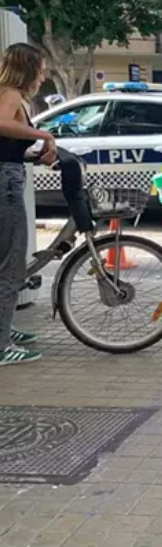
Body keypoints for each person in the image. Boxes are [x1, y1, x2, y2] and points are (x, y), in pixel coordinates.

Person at [0, 43, 57, 366]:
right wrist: (44, 136)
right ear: (27, 68)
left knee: (5, 262)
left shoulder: (8, 95)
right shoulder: (9, 94)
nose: (43, 76)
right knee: (11, 265)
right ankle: (1, 346)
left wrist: (35, 154)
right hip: (5, 184)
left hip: (8, 176)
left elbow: (7, 146)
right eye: (41, 69)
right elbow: (1, 124)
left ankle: (4, 328)